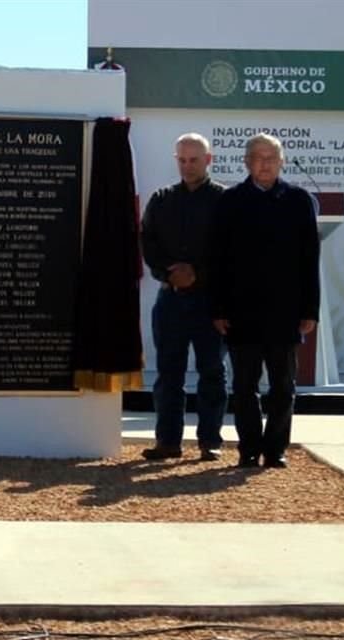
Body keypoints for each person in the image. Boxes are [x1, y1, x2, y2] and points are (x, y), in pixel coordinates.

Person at [209, 133, 320, 469]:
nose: (265, 163)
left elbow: (309, 259)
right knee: (244, 387)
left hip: (285, 311)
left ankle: (275, 450)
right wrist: (218, 308)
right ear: (246, 162)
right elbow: (218, 259)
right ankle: (249, 448)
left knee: (283, 387)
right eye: (258, 157)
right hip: (241, 311)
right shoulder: (230, 200)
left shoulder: (299, 200)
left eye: (272, 156)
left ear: (282, 161)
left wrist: (309, 309)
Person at [140, 133, 227, 462]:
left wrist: (198, 273)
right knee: (168, 373)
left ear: (209, 160)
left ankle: (210, 442)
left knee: (212, 372)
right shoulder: (162, 199)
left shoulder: (224, 200)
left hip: (210, 302)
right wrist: (168, 273)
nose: (187, 165)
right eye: (182, 159)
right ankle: (167, 442)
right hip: (171, 299)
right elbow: (148, 243)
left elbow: (230, 250)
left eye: (194, 159)